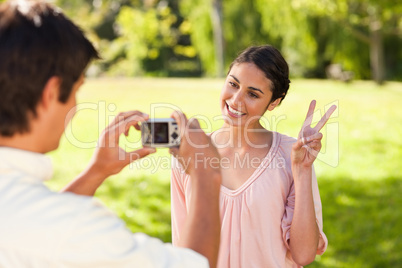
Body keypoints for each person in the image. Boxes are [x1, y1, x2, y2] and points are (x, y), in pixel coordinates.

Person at [0, 1, 222, 267]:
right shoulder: (77, 229)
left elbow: (35, 225)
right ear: (51, 93)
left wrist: (97, 171)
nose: (75, 106)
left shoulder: (32, 212)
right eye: (76, 91)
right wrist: (206, 171)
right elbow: (194, 263)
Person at [171, 45, 337, 267]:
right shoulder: (189, 153)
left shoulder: (292, 157)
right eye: (233, 84)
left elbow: (304, 255)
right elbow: (182, 249)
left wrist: (303, 170)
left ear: (274, 102)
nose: (236, 100)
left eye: (252, 94)